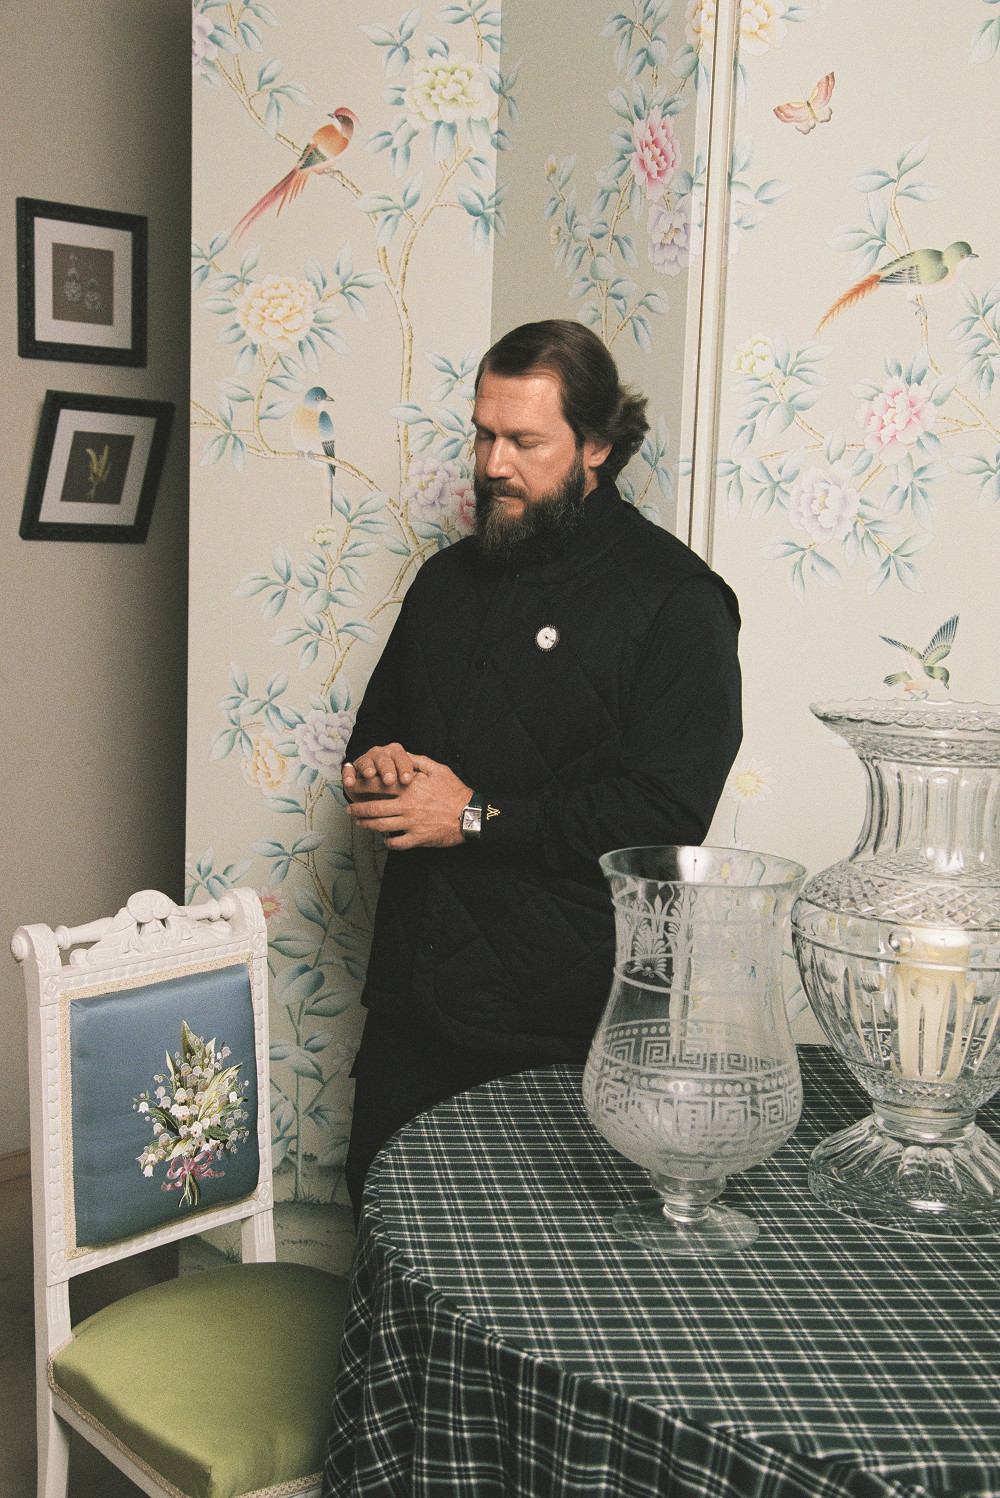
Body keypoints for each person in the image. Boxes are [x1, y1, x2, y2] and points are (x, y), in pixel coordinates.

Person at [341, 319, 742, 1219]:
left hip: (565, 1027)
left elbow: (665, 815)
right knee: (383, 1229)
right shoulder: (444, 582)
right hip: (412, 1005)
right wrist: (377, 770)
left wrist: (471, 816)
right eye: (484, 434)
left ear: (596, 445)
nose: (493, 464)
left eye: (524, 441)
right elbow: (376, 733)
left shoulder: (679, 603)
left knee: (536, 1268)